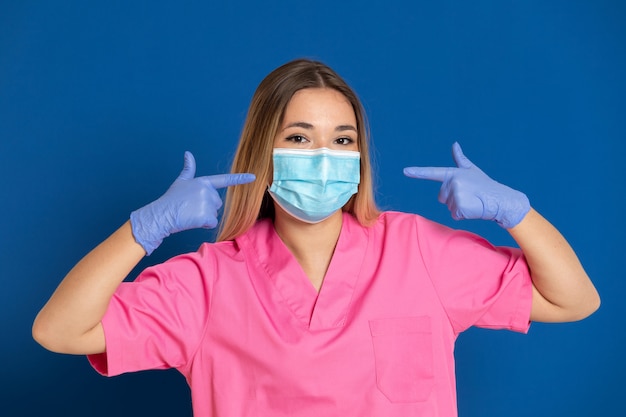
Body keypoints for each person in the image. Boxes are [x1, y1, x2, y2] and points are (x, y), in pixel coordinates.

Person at [32, 58, 600, 416]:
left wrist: (515, 213)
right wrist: (143, 229)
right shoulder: (207, 282)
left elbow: (574, 299)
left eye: (343, 139)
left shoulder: (419, 252)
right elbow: (59, 330)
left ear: (360, 154)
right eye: (300, 139)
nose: (324, 158)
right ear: (264, 152)